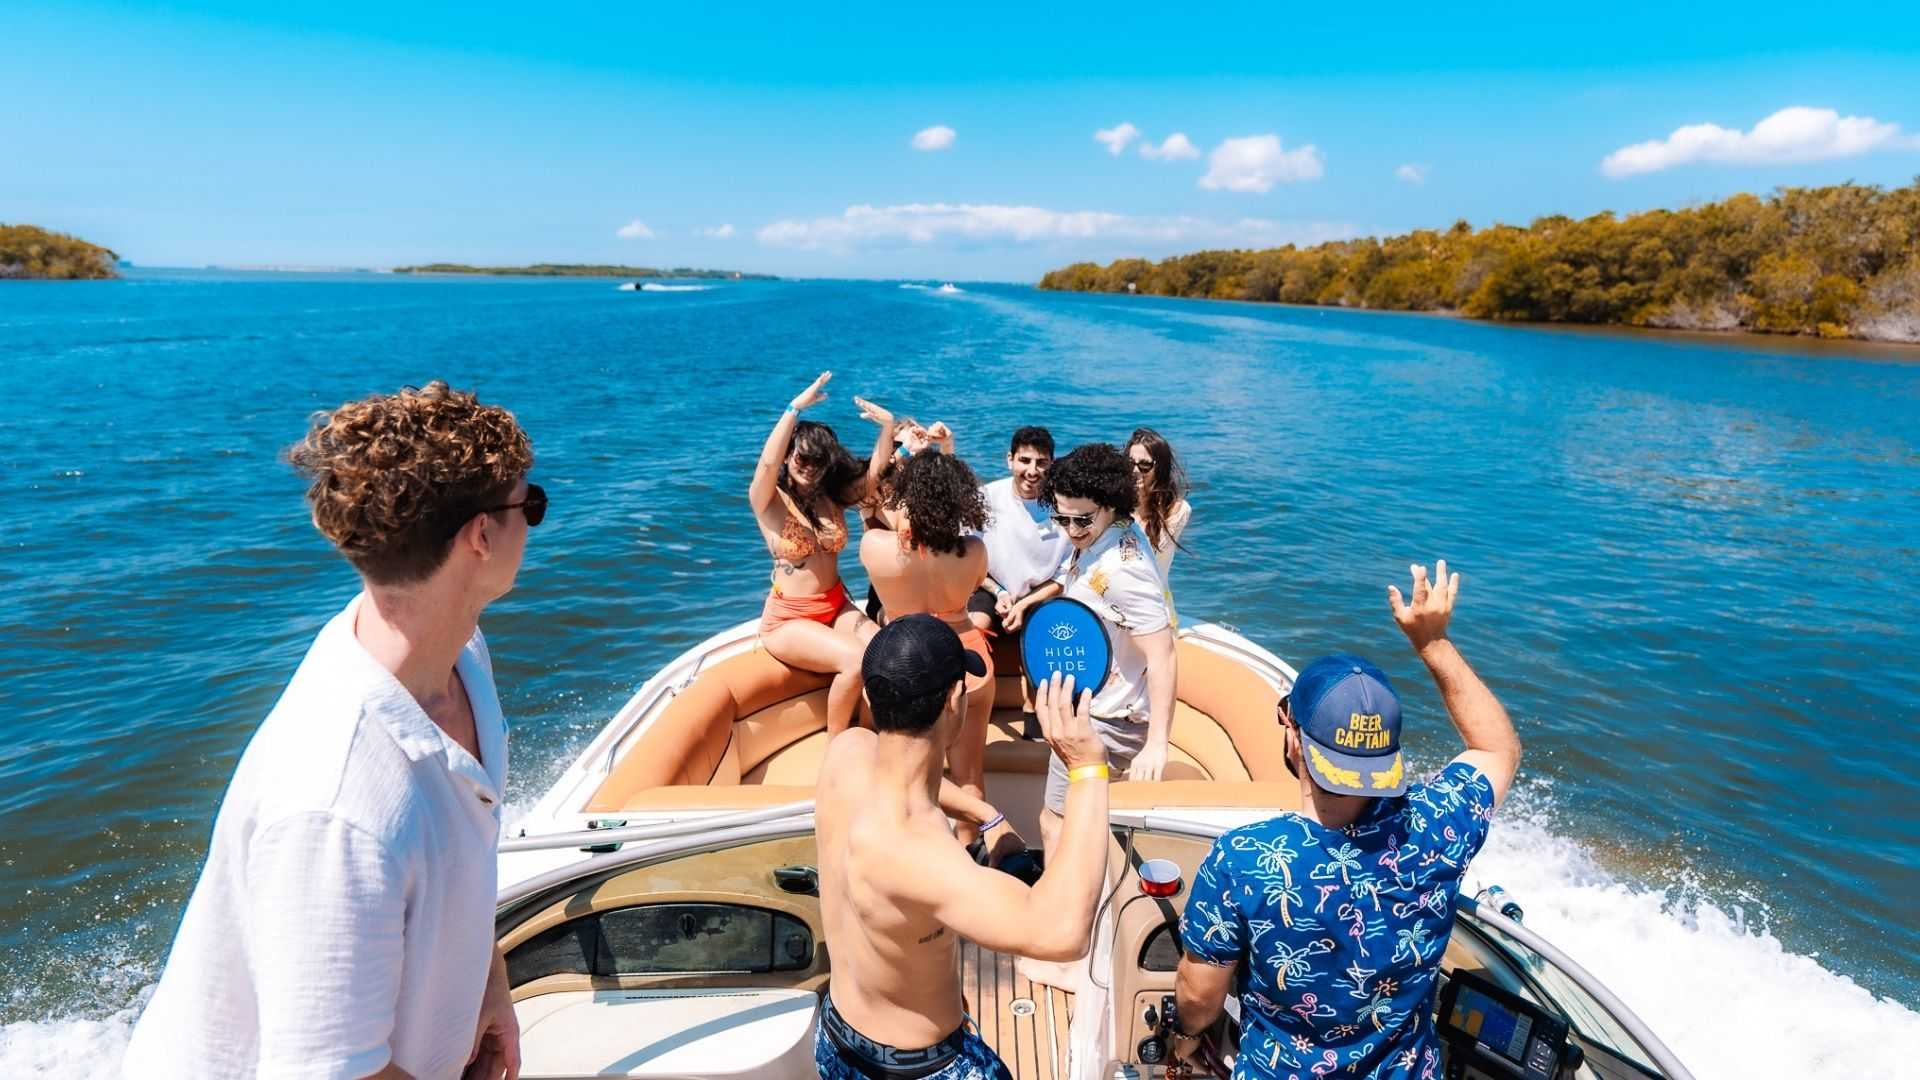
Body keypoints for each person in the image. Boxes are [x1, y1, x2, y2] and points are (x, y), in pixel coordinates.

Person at [124, 382, 539, 1080]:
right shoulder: (338, 805)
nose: (533, 524)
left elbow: (461, 848)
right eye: (531, 506)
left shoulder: (456, 652)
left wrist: (486, 980)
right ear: (481, 536)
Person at [1171, 561, 1522, 1080]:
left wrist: (1184, 1040)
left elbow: (1199, 997)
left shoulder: (1245, 859)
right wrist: (1433, 642)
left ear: (1294, 738)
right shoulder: (1437, 825)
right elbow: (1497, 749)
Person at [814, 615, 1114, 1080]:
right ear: (955, 700)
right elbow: (1063, 932)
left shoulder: (847, 752)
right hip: (920, 1068)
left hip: (837, 1039)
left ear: (872, 696)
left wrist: (985, 814)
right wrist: (1088, 768)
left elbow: (903, 775)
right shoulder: (920, 856)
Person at [1035, 443, 1177, 859]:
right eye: (1061, 517)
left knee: (1056, 825)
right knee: (1081, 827)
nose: (1071, 529)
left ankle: (1057, 899)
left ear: (1110, 504)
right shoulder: (1106, 534)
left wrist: (1157, 744)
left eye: (1081, 519)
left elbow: (1163, 653)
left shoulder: (1124, 570)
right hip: (1096, 709)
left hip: (1107, 720)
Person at [859, 445, 995, 843]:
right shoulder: (974, 551)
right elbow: (976, 586)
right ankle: (970, 851)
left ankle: (904, 848)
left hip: (903, 662)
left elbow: (880, 519)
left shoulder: (875, 547)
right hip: (965, 656)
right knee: (969, 775)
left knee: (900, 772)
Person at [750, 372, 891, 734]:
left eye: (818, 461)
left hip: (836, 606)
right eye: (802, 458)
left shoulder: (831, 498)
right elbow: (766, 464)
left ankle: (871, 736)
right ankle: (837, 745)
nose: (809, 468)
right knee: (856, 661)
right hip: (789, 620)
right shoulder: (768, 500)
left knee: (885, 655)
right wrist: (794, 409)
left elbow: (874, 476)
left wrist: (888, 428)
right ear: (788, 456)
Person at [972, 426, 1071, 636]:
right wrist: (999, 592)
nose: (1032, 471)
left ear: (1052, 464)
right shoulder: (985, 498)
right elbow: (966, 559)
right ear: (1010, 459)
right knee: (976, 625)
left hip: (1040, 595)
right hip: (992, 589)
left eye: (1041, 463)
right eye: (1024, 461)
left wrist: (1023, 604)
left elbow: (1064, 575)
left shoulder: (1066, 507)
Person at [1125, 427, 1191, 581]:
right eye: (1129, 463)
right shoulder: (1114, 505)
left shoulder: (1177, 510)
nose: (1135, 471)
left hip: (1152, 592)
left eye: (1144, 465)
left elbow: (1150, 559)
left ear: (1160, 468)